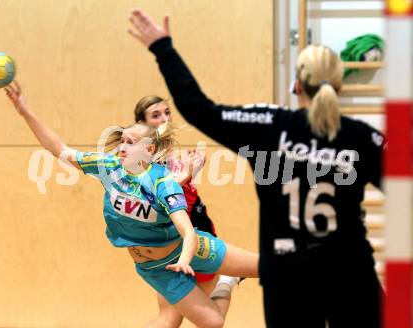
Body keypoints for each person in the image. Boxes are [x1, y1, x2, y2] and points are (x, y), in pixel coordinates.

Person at [128, 9, 385, 328]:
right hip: (350, 271)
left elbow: (198, 108)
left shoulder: (268, 125)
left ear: (297, 86)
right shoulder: (364, 138)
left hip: (288, 274)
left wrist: (163, 47)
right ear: (339, 85)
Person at [4, 82, 259, 328]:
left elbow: (188, 231)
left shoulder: (162, 181)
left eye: (130, 142)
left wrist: (183, 260)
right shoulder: (108, 168)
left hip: (182, 250)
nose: (122, 147)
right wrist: (25, 111)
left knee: (263, 267)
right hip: (154, 268)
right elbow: (58, 148)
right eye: (122, 141)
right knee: (212, 323)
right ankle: (226, 281)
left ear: (148, 149)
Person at [133, 96, 239, 327]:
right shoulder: (143, 157)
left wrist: (192, 170)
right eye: (156, 115)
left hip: (195, 230)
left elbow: (179, 194)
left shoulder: (168, 153)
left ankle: (227, 281)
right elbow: (154, 196)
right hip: (169, 240)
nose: (165, 119)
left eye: (167, 112)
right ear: (141, 123)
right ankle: (227, 282)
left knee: (187, 320)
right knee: (172, 320)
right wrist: (188, 173)